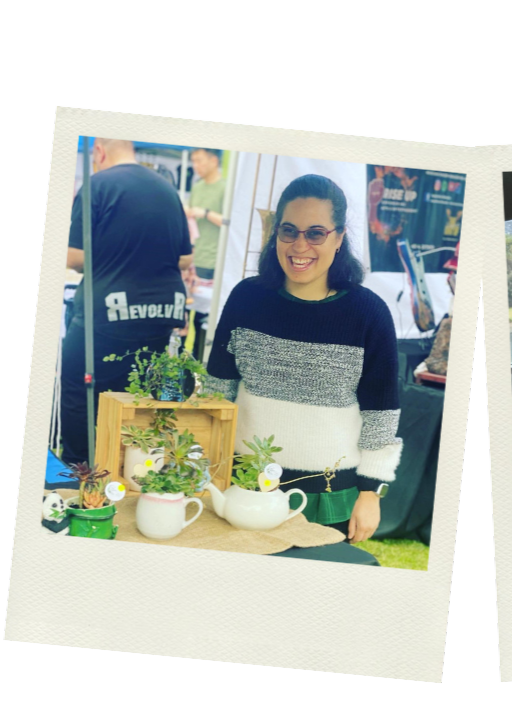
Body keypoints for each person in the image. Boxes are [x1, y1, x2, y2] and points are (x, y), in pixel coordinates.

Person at [203, 174, 401, 543]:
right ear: (275, 233)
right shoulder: (246, 299)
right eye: (289, 231)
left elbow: (381, 412)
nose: (300, 245)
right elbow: (217, 394)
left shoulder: (368, 313)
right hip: (244, 488)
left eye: (316, 233)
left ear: (339, 238)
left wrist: (371, 491)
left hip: (330, 497)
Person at [62, 138, 195, 466]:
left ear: (100, 151)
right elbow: (184, 258)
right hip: (160, 312)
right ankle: (128, 468)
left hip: (106, 311)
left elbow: (75, 258)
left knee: (80, 390)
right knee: (137, 394)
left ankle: (81, 476)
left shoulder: (98, 185)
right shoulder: (167, 191)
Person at [183, 147, 227, 362]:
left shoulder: (225, 188)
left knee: (202, 322)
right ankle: (178, 367)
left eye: (199, 160)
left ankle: (199, 368)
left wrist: (206, 213)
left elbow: (230, 222)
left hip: (211, 262)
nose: (195, 166)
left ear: (213, 160)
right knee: (183, 320)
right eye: (193, 161)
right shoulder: (197, 187)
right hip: (193, 261)